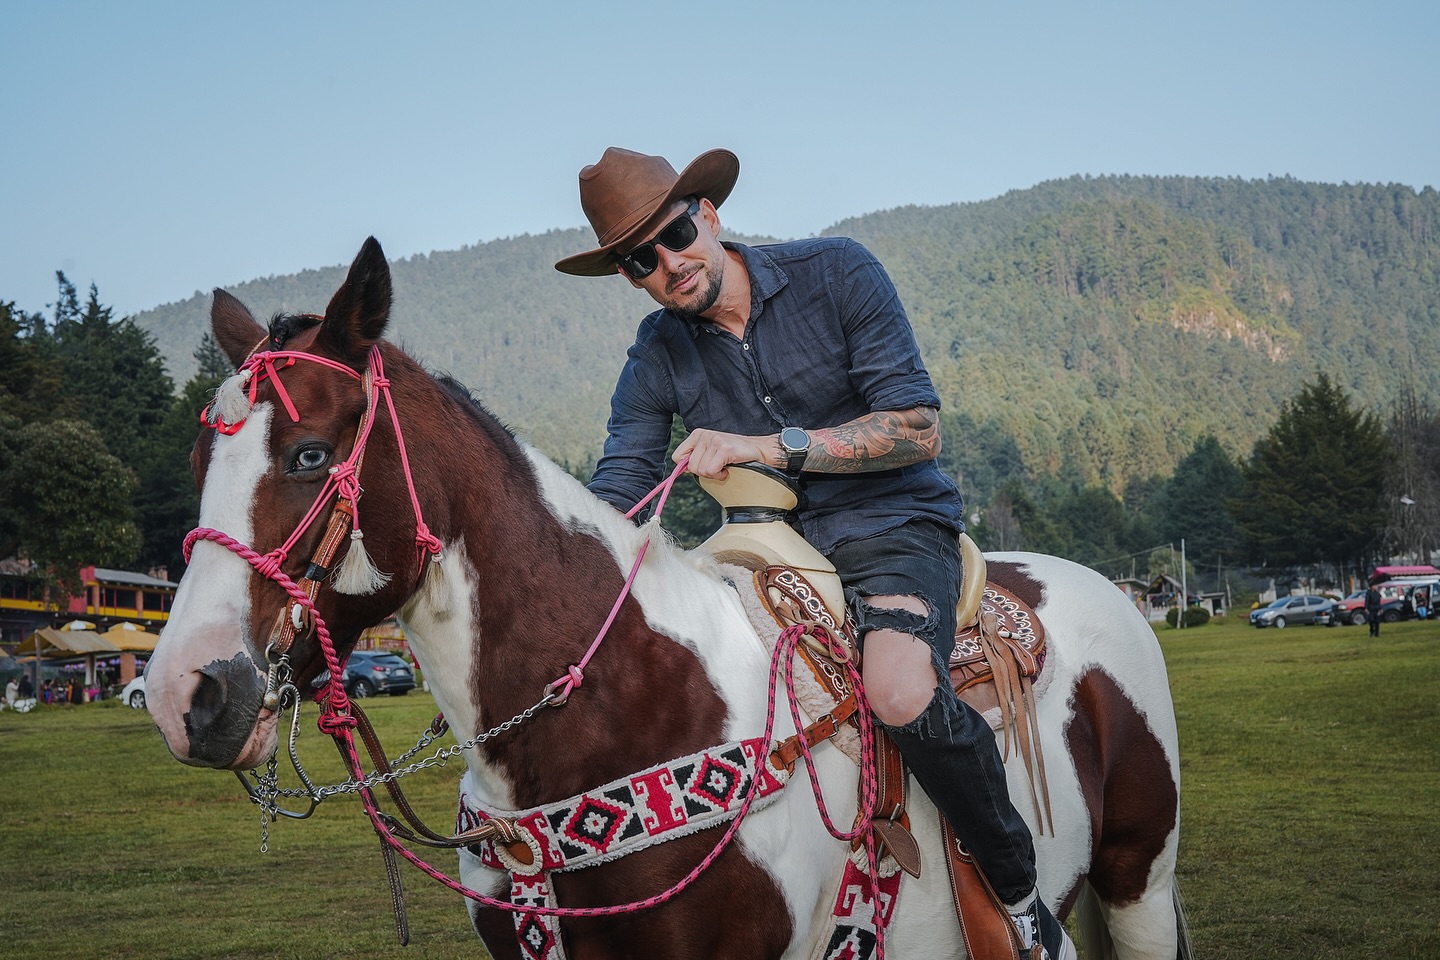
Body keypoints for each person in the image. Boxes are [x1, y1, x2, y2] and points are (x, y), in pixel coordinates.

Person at [556, 147, 1073, 960]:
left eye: (676, 234)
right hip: (762, 548)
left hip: (893, 522)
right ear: (628, 277)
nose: (668, 264)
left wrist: (759, 444)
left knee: (900, 692)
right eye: (639, 259)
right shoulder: (655, 353)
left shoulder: (837, 272)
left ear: (710, 215)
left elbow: (915, 426)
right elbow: (619, 485)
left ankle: (1021, 900)